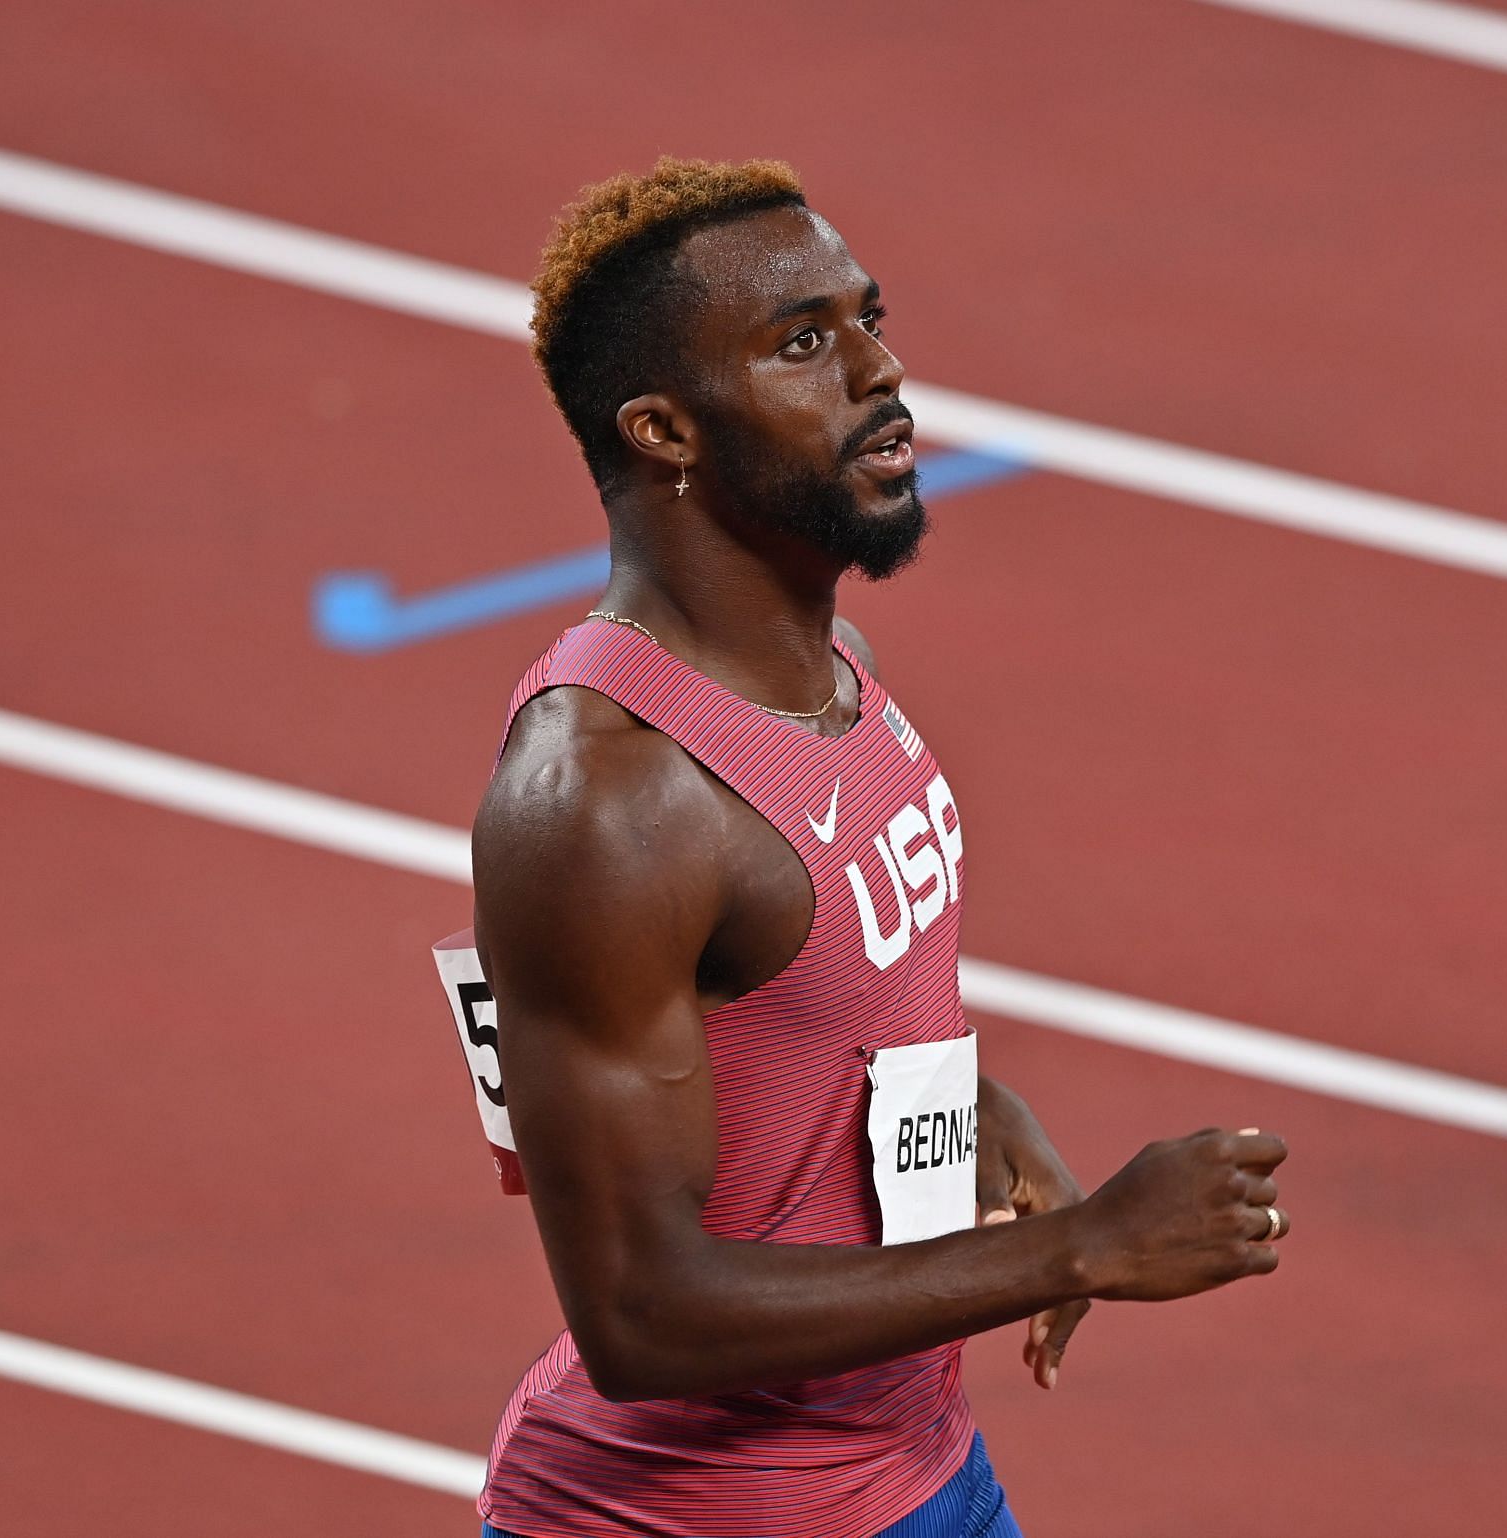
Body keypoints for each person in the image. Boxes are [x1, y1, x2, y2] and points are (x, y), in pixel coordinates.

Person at [467, 156, 1290, 1538]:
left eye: (868, 316)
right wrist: (1073, 1249)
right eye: (803, 342)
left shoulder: (829, 661)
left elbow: (801, 1009)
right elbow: (638, 1310)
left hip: (911, 1477)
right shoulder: (605, 799)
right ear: (665, 430)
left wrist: (966, 1106)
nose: (880, 368)